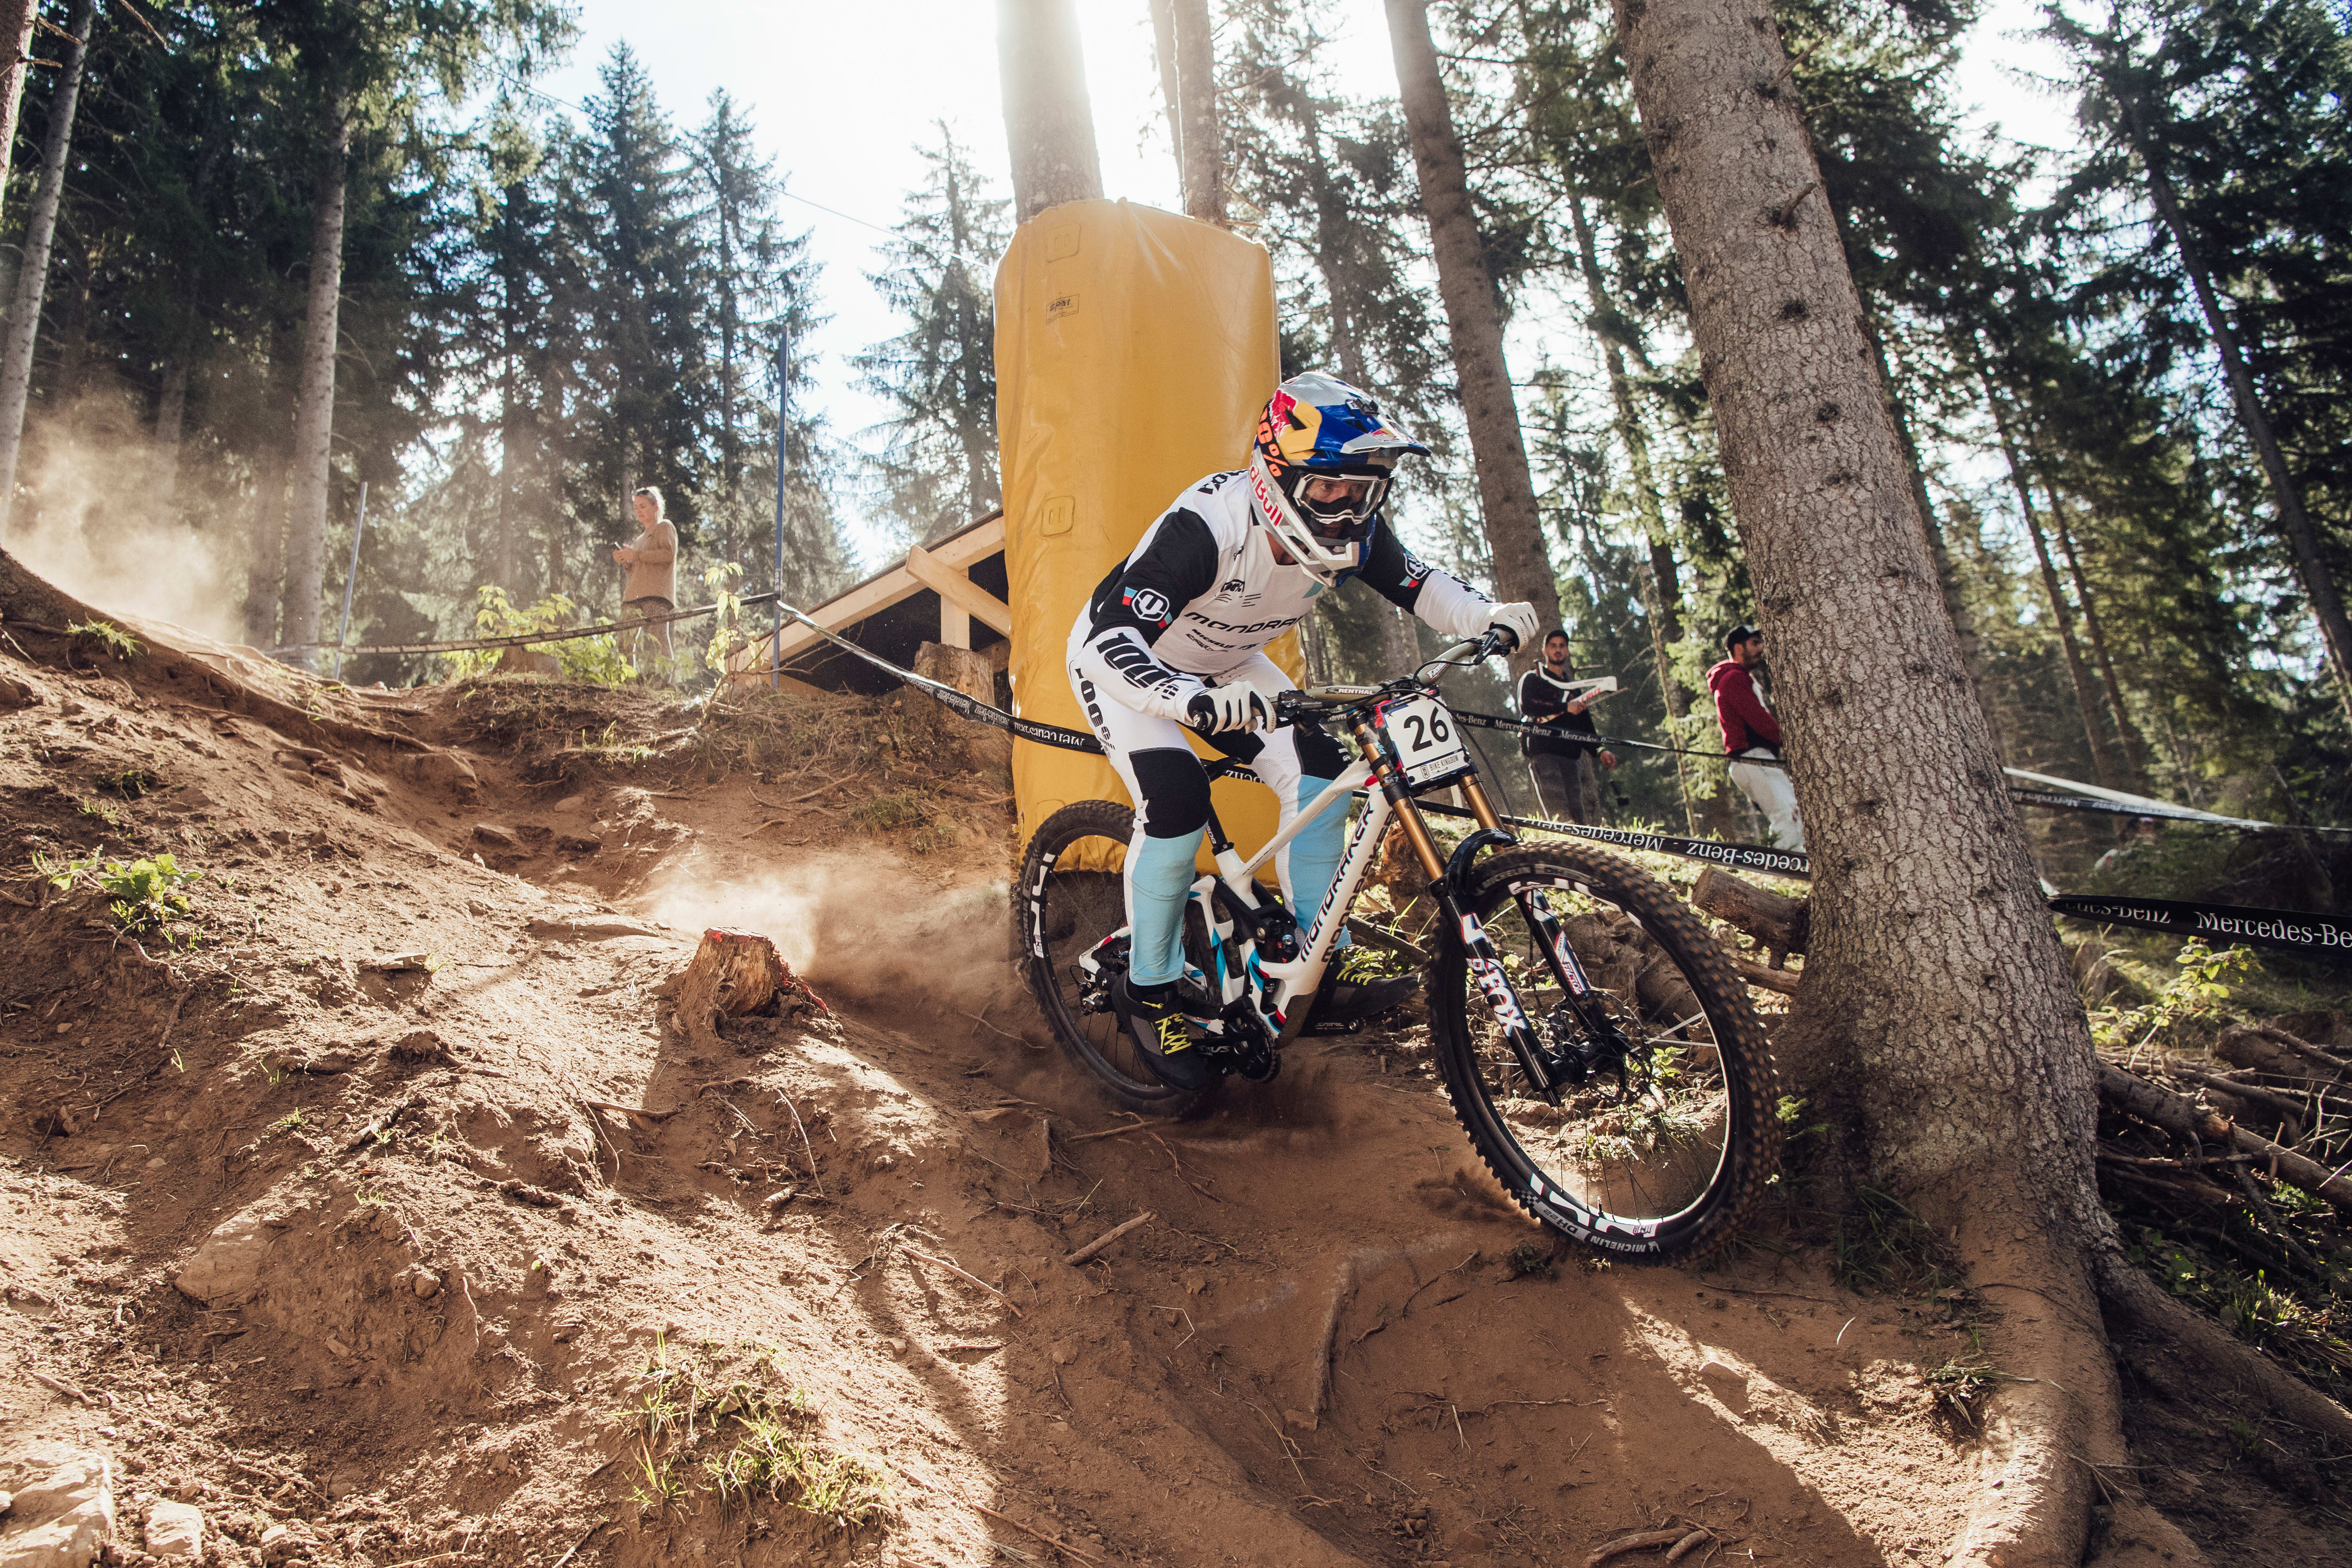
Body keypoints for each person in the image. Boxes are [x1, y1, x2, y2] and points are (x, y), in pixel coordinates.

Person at [1068, 371, 1539, 1088]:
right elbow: (1111, 639)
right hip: (1129, 661)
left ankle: (1316, 965)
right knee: (1178, 801)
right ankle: (1150, 991)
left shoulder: (1355, 532)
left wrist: (1488, 615)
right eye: (1328, 490)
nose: (1347, 511)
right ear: (1276, 478)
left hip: (1229, 661)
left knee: (1320, 768)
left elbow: (1420, 583)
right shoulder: (1209, 526)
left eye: (1362, 492)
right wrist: (1182, 699)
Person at [1707, 624, 1803, 851]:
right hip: (1752, 758)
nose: (1761, 648)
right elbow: (1757, 718)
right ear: (1738, 648)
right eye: (1755, 643)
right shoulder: (1733, 678)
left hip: (1756, 760)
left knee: (1793, 812)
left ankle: (1793, 862)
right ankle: (1782, 867)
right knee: (1787, 813)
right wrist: (1790, 742)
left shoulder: (1739, 677)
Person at [1517, 629, 1616, 823]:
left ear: (1568, 651)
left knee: (1578, 818)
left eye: (1562, 646)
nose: (1558, 650)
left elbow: (1585, 725)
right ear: (1545, 651)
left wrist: (1601, 750)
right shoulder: (1532, 678)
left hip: (1570, 758)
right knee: (1560, 818)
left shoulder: (1573, 689)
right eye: (1553, 646)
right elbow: (1527, 706)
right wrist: (1565, 708)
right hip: (1544, 753)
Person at [611, 487, 678, 679]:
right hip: (633, 596)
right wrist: (627, 561)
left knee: (659, 639)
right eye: (636, 508)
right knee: (625, 641)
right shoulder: (640, 539)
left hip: (656, 595)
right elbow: (637, 569)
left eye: (643, 506)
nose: (639, 511)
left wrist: (636, 555)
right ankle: (628, 681)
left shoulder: (664, 527)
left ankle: (664, 682)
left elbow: (668, 555)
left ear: (655, 506)